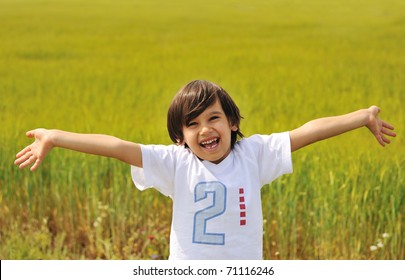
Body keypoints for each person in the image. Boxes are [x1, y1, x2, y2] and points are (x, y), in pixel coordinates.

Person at [14, 80, 396, 260]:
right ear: (180, 137)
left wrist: (361, 116)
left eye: (214, 118)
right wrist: (57, 136)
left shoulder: (254, 154)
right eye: (192, 124)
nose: (205, 130)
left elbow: (306, 133)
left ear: (232, 122)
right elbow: (116, 147)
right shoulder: (174, 163)